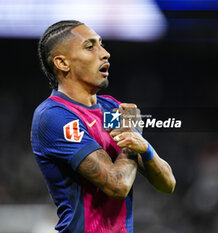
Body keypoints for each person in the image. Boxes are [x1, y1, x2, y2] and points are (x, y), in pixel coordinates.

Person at [30, 20, 176, 233]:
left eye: (101, 44)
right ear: (62, 63)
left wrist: (144, 147)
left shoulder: (111, 109)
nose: (105, 53)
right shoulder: (54, 116)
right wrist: (131, 136)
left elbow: (167, 184)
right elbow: (117, 185)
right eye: (90, 47)